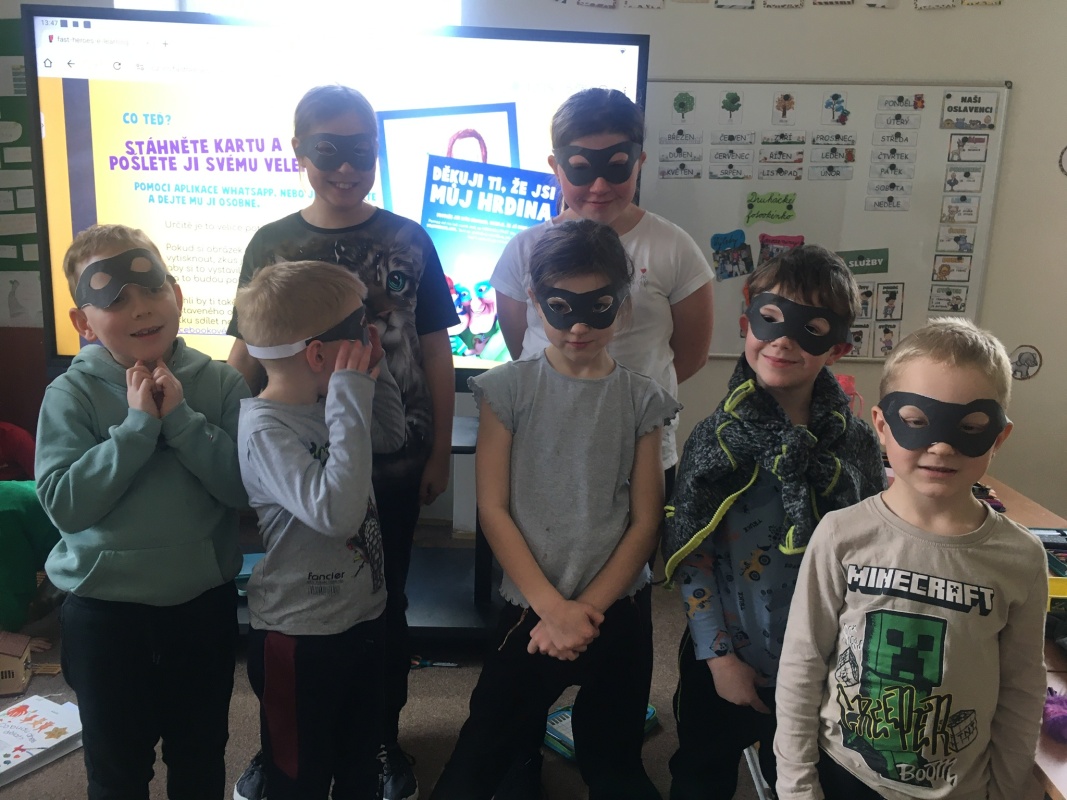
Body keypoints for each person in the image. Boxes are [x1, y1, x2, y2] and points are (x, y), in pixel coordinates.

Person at [226, 85, 459, 800]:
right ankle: (283, 747)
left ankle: (379, 740)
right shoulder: (271, 243)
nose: (348, 167)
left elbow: (433, 348)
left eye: (362, 150)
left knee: (383, 605)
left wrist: (438, 449)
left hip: (391, 461)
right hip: (305, 460)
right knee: (303, 622)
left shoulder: (410, 238)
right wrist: (221, 437)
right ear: (299, 151)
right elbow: (246, 352)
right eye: (330, 151)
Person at [430, 220, 679, 800]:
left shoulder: (643, 399)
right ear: (535, 301)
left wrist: (582, 613)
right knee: (483, 749)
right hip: (531, 606)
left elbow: (646, 521)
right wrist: (552, 610)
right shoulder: (505, 389)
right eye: (562, 308)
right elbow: (493, 508)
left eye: (598, 307)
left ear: (624, 302)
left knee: (616, 757)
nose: (579, 326)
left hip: (618, 607)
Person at [774, 318, 1048, 800]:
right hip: (848, 776)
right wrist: (797, 786)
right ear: (882, 426)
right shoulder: (841, 535)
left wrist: (1007, 789)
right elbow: (802, 664)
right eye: (917, 422)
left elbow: (1022, 687)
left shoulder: (1020, 558)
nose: (941, 445)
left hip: (959, 788)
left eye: (970, 428)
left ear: (998, 438)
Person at [661, 245, 888, 799]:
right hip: (726, 652)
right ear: (747, 323)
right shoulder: (714, 439)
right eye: (770, 319)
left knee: (807, 777)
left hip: (824, 661)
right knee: (701, 773)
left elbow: (874, 555)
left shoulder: (857, 444)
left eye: (809, 328)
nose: (782, 341)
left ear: (837, 347)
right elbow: (691, 554)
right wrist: (719, 660)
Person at [35, 224, 250, 799]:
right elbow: (65, 505)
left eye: (152, 289)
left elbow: (243, 489)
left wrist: (181, 421)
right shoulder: (70, 394)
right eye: (113, 299)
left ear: (176, 294)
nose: (141, 309)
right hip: (105, 616)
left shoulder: (221, 383)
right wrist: (135, 430)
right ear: (83, 322)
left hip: (200, 607)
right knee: (116, 769)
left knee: (200, 757)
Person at [234, 260, 406, 799]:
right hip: (299, 637)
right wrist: (349, 396)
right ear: (315, 355)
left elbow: (391, 435)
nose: (370, 336)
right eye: (358, 331)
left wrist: (373, 373)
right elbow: (336, 513)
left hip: (361, 617)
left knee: (359, 762)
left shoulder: (329, 402)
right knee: (298, 773)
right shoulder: (264, 429)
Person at [492, 87, 714, 502]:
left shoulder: (674, 248)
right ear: (556, 167)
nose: (598, 186)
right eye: (580, 168)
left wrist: (622, 397)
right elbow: (519, 341)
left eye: (615, 168)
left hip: (640, 446)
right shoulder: (523, 250)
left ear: (639, 162)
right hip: (546, 443)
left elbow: (691, 354)